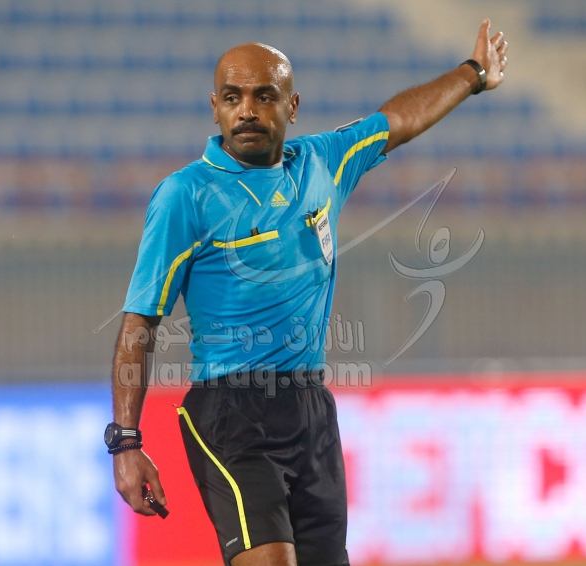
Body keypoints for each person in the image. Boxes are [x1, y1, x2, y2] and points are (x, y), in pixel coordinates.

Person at [107, 19, 508, 566]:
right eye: (232, 97)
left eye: (263, 96)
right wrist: (126, 442)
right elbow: (139, 324)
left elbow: (399, 121)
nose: (247, 110)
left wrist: (474, 73)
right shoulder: (185, 195)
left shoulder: (322, 163)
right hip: (230, 413)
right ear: (215, 108)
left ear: (292, 106)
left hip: (311, 409)